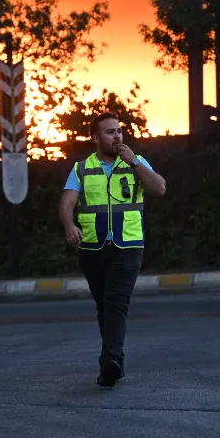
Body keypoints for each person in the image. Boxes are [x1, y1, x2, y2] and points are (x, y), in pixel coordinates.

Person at [58, 111, 167, 387]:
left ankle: (109, 362)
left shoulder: (135, 162)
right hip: (92, 247)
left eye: (119, 130)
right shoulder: (82, 168)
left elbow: (160, 189)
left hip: (128, 246)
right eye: (110, 132)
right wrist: (70, 226)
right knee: (104, 307)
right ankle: (116, 359)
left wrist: (135, 163)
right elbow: (67, 201)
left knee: (116, 303)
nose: (117, 136)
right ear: (95, 138)